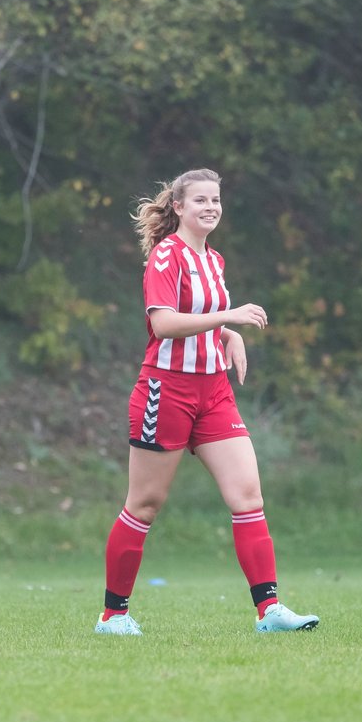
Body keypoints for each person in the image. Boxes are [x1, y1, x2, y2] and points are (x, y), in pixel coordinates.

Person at [94, 168, 319, 636]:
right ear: (178, 207)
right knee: (145, 504)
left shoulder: (213, 260)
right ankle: (113, 615)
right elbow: (164, 324)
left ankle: (270, 610)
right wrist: (230, 316)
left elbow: (202, 318)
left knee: (247, 496)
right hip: (167, 390)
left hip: (213, 391)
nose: (210, 207)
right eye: (200, 200)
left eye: (215, 200)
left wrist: (228, 334)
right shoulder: (165, 256)